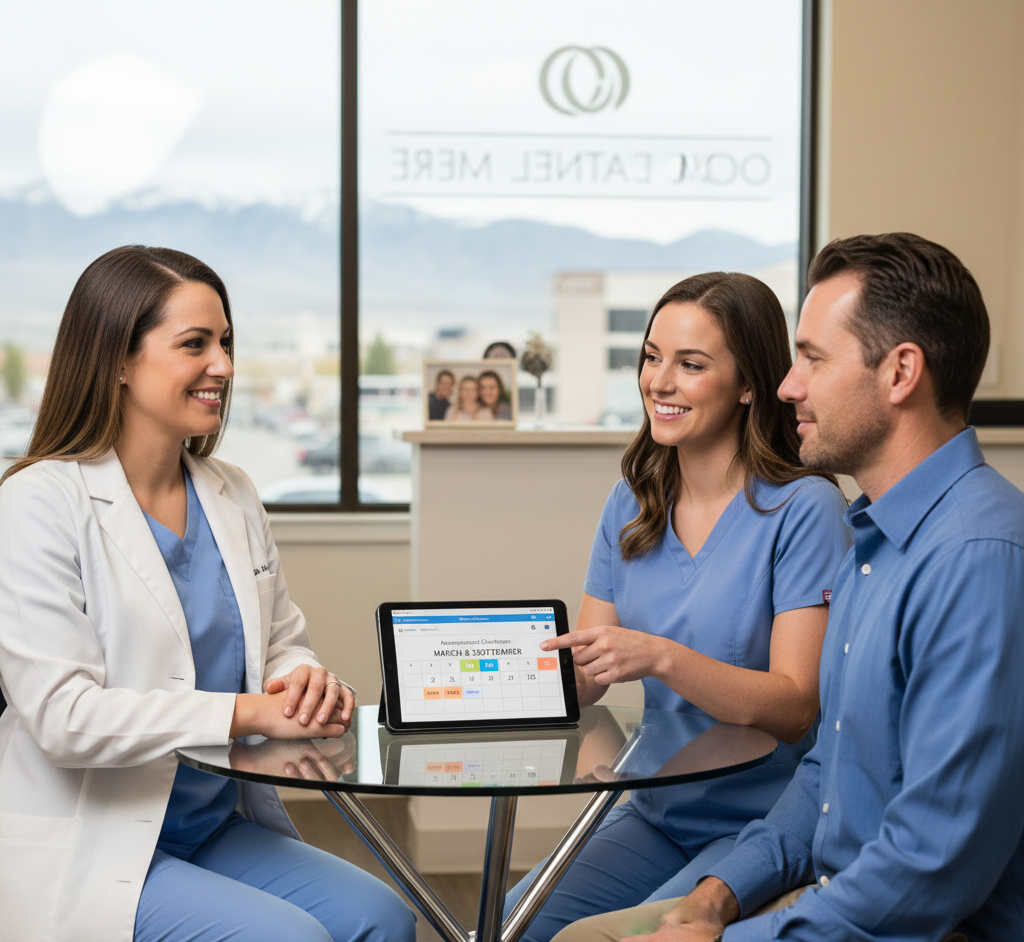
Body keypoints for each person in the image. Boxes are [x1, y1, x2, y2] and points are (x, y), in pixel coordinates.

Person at [554, 233, 1024, 942]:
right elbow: (825, 776)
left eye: (812, 359)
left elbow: (930, 868)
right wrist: (720, 897)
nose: (787, 385)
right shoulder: (878, 541)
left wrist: (740, 935)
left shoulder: (980, 557)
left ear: (900, 374)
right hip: (824, 889)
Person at [0, 246, 416, 942]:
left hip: (211, 825)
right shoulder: (38, 502)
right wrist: (251, 711)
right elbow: (63, 716)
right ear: (118, 361)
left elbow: (281, 640)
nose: (222, 365)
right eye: (195, 344)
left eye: (225, 342)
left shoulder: (231, 491)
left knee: (383, 917)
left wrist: (302, 683)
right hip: (95, 838)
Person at [503, 272, 850, 940]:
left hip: (765, 821)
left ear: (749, 383)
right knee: (512, 920)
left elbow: (795, 705)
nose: (659, 382)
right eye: (651, 357)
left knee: (619, 935)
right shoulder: (632, 502)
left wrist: (661, 658)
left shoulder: (804, 510)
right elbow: (593, 672)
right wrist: (498, 678)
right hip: (658, 813)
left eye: (691, 365)